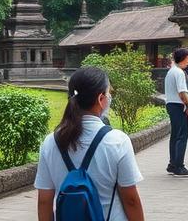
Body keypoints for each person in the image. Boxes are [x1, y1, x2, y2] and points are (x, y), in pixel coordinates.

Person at [36, 67, 145, 220]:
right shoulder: (118, 141)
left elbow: (44, 200)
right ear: (101, 99)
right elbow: (131, 200)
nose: (109, 97)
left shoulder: (51, 142)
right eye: (108, 93)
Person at [165, 48, 188, 177]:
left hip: (172, 104)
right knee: (182, 136)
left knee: (175, 136)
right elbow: (182, 91)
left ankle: (173, 164)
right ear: (184, 58)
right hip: (178, 105)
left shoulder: (172, 71)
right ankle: (179, 166)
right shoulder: (179, 72)